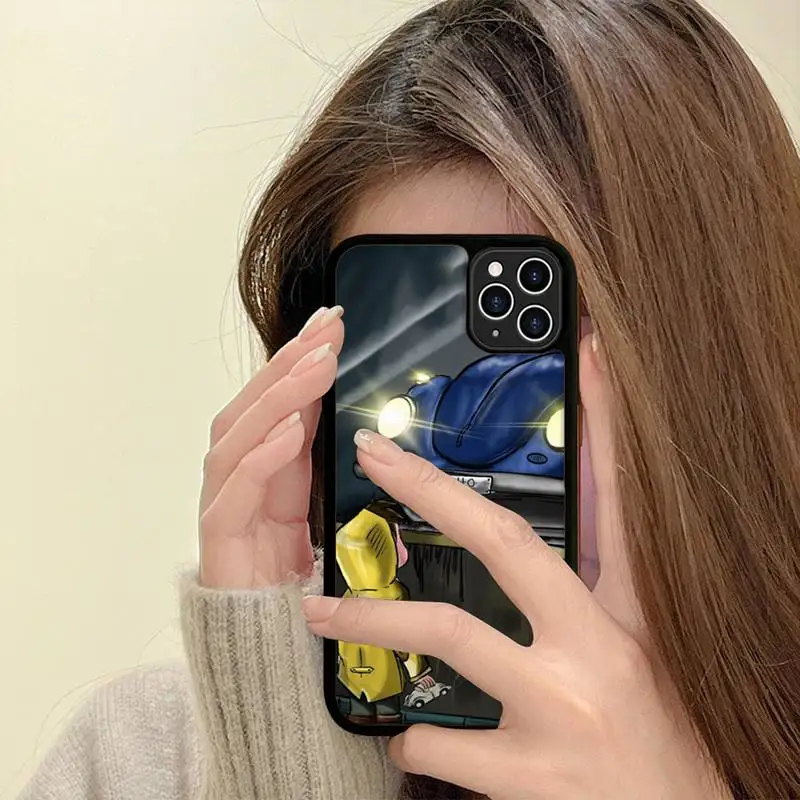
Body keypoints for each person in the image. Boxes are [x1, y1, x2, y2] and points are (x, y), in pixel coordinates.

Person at [19, 0, 800, 798]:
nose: (473, 492)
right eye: (405, 353)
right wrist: (278, 745)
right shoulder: (140, 759)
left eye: (567, 348)